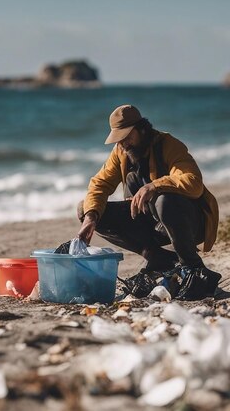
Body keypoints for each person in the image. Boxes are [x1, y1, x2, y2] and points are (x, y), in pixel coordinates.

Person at [77, 104, 221, 300]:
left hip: (187, 222)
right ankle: (156, 256)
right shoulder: (121, 152)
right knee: (86, 209)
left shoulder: (169, 145)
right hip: (151, 224)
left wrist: (154, 186)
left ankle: (192, 265)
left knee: (164, 201)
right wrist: (90, 217)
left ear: (142, 129)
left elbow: (193, 181)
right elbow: (99, 184)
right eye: (119, 139)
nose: (124, 144)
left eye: (127, 137)